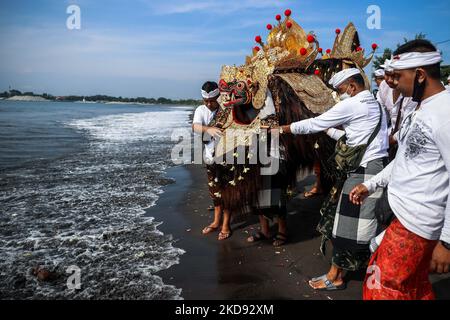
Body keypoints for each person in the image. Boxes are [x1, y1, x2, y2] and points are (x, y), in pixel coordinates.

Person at [349, 39, 450, 300]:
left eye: (397, 75)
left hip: (417, 225)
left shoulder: (445, 113)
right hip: (402, 218)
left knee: (383, 289)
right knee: (412, 289)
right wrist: (370, 185)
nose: (392, 82)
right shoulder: (420, 109)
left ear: (419, 75)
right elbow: (404, 160)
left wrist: (447, 241)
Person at [280, 68, 389, 291]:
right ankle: (340, 271)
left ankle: (337, 276)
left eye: (340, 90)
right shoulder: (376, 105)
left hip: (365, 172)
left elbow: (313, 124)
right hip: (371, 167)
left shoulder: (353, 104)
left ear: (352, 86)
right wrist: (328, 130)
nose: (339, 96)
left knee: (348, 227)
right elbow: (351, 137)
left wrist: (282, 129)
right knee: (340, 220)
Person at [192, 81, 232, 240]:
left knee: (228, 192)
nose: (209, 104)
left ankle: (226, 224)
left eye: (212, 100)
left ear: (219, 96)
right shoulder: (200, 110)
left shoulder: (228, 110)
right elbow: (195, 127)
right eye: (206, 101)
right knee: (215, 191)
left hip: (229, 157)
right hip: (210, 156)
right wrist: (208, 129)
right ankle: (216, 221)